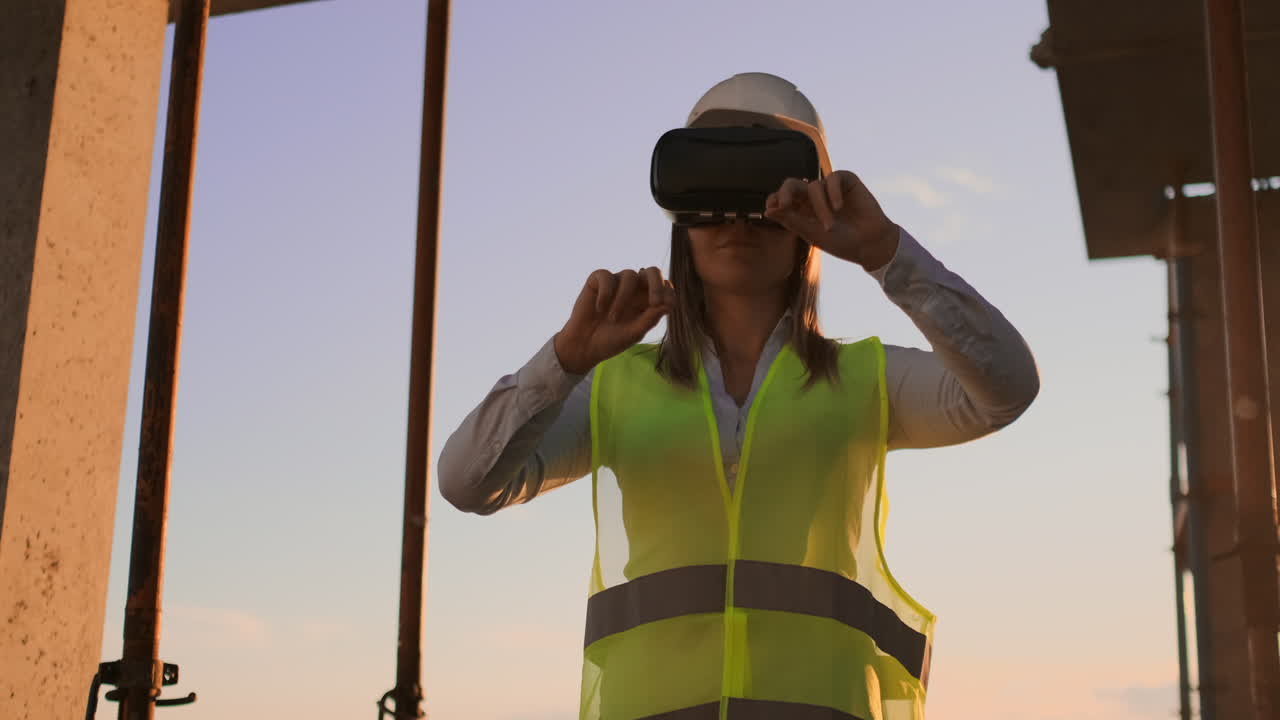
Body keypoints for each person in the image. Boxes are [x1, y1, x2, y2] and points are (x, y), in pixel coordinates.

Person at [439, 72, 1039, 720]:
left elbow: (1006, 389)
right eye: (711, 191)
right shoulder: (611, 386)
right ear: (681, 217)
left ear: (810, 218)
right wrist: (562, 361)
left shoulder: (865, 380)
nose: (737, 220)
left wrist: (886, 252)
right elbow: (467, 484)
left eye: (765, 193)